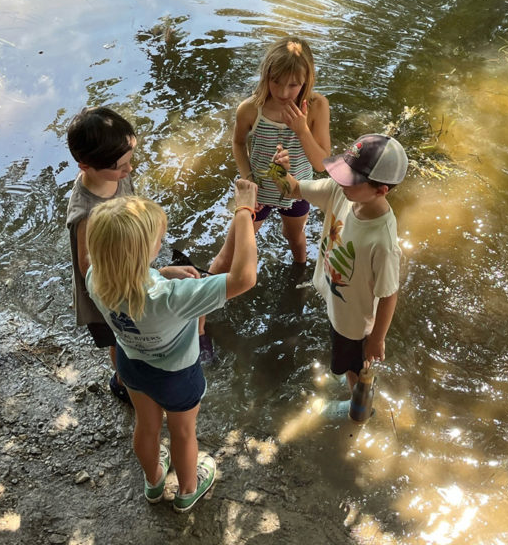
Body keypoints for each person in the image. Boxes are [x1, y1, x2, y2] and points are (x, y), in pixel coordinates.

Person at [84, 182, 258, 511]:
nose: (162, 242)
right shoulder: (170, 298)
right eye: (158, 241)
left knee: (147, 427)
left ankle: (153, 483)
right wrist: (245, 211)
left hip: (131, 365)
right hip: (177, 376)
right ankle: (188, 491)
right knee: (182, 432)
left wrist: (161, 272)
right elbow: (244, 278)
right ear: (140, 255)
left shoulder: (96, 277)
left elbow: (132, 280)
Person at [66, 107, 200, 405]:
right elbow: (92, 271)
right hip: (110, 295)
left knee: (133, 334)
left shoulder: (115, 173)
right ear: (85, 167)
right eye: (120, 166)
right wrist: (154, 275)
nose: (129, 170)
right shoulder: (86, 213)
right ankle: (123, 380)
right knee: (119, 337)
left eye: (130, 160)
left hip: (133, 272)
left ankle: (134, 373)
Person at [273, 134, 408, 392]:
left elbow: (389, 294)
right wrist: (278, 170)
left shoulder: (383, 241)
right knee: (345, 361)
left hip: (355, 326)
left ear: (381, 190)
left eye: (351, 179)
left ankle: (358, 411)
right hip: (339, 306)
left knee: (356, 369)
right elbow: (293, 189)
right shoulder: (341, 192)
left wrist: (377, 340)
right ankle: (351, 385)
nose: (340, 181)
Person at [208, 35, 330, 275]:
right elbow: (238, 142)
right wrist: (248, 178)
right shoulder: (251, 108)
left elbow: (321, 164)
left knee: (294, 237)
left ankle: (299, 275)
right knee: (231, 249)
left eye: (293, 85)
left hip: (297, 189)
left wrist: (302, 129)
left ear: (306, 80)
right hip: (259, 190)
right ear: (266, 75)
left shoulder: (317, 106)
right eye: (276, 82)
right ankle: (202, 299)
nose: (283, 92)